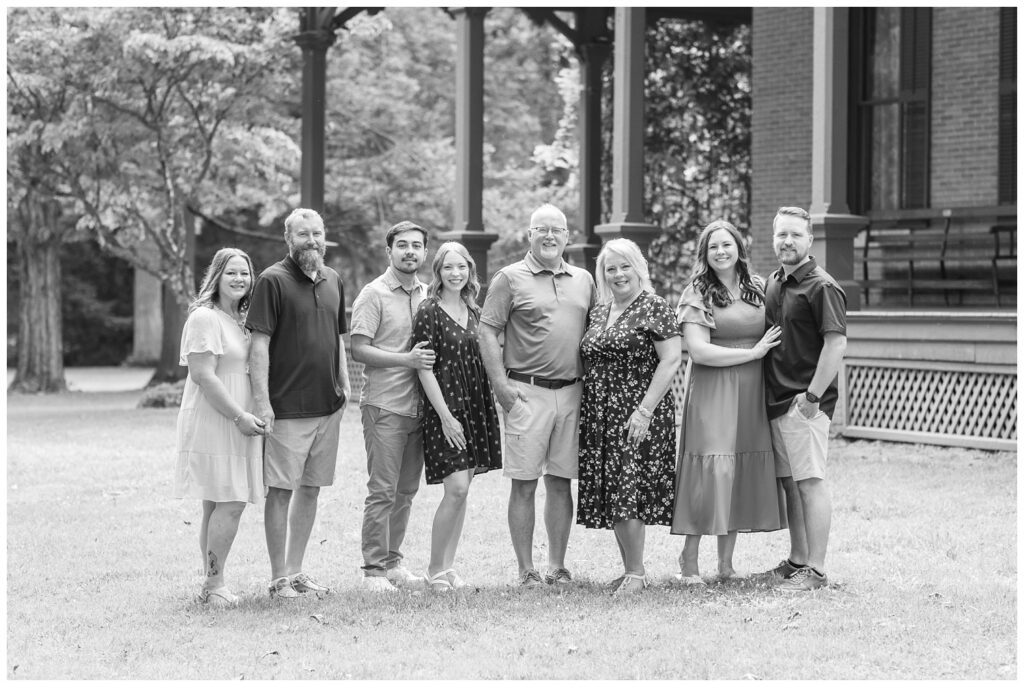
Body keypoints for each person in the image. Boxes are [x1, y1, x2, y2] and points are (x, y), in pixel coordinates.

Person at [478, 203, 595, 587]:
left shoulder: (584, 279)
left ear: (567, 237)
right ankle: (525, 570)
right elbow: (486, 331)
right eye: (541, 229)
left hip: (573, 392)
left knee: (561, 482)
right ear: (529, 235)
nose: (549, 236)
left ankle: (556, 566)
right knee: (525, 483)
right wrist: (502, 388)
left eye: (556, 230)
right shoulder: (509, 278)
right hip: (526, 393)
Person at [670, 220, 786, 584]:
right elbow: (700, 352)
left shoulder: (758, 287)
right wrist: (752, 354)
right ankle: (689, 559)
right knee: (712, 469)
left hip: (752, 391)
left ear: (739, 247)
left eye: (727, 244)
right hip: (713, 390)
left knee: (735, 469)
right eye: (713, 247)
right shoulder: (697, 291)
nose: (721, 252)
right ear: (704, 254)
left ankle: (726, 564)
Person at [248, 208, 350, 600]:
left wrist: (344, 387)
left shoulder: (333, 280)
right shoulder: (271, 281)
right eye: (304, 234)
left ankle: (296, 570)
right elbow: (258, 345)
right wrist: (263, 403)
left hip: (328, 407)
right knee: (281, 491)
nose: (313, 240)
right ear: (288, 239)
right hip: (287, 409)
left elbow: (336, 338)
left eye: (318, 233)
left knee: (311, 490)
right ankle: (278, 578)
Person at [577, 239, 681, 595]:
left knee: (628, 488)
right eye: (611, 268)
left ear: (639, 268)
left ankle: (636, 573)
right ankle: (629, 570)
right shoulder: (599, 311)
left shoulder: (655, 307)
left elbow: (671, 361)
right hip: (602, 412)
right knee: (614, 488)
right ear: (602, 274)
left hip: (639, 411)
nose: (618, 274)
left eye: (625, 266)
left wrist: (644, 410)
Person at [174, 247, 266, 606]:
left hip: (236, 416)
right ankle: (214, 586)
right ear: (216, 276)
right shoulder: (205, 318)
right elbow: (202, 376)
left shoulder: (239, 319)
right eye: (231, 273)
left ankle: (212, 583)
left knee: (217, 504)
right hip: (217, 418)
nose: (239, 279)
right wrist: (239, 416)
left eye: (245, 273)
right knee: (231, 500)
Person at [763, 206, 848, 592]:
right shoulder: (774, 283)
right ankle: (797, 559)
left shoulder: (822, 286)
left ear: (810, 240)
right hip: (777, 400)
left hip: (805, 402)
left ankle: (815, 570)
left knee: (811, 483)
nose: (788, 241)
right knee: (790, 484)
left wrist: (812, 396)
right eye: (782, 234)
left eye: (796, 235)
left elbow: (836, 344)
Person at [412, 241, 502, 591]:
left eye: (461, 267)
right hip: (444, 409)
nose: (455, 273)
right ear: (438, 272)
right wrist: (446, 417)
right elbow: (424, 369)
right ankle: (434, 569)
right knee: (456, 487)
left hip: (475, 405)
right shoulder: (428, 310)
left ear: (470, 271)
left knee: (463, 492)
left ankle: (448, 567)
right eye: (448, 267)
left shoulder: (475, 310)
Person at [350, 220, 432, 593]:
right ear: (389, 251)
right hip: (385, 406)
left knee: (406, 491)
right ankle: (373, 572)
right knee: (382, 490)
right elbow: (359, 349)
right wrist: (406, 361)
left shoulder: (428, 294)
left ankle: (393, 561)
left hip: (419, 408)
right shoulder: (374, 294)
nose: (409, 251)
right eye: (402, 245)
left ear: (425, 252)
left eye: (416, 245)